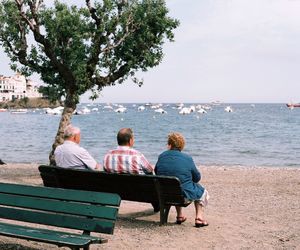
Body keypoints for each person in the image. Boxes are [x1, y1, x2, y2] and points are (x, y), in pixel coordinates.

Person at [155, 132, 209, 227]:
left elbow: (156, 171)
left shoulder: (162, 156)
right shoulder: (187, 158)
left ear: (169, 144)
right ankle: (199, 218)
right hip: (181, 196)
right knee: (200, 190)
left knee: (176, 185)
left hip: (164, 193)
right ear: (182, 145)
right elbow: (197, 178)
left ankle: (179, 216)